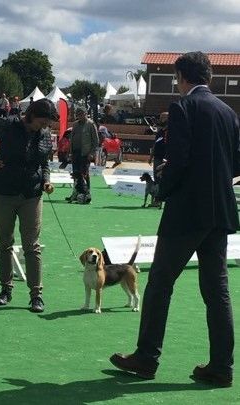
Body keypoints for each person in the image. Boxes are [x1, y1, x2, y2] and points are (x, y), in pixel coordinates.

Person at [110, 51, 240, 387]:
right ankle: (222, 367)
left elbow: (178, 158)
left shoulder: (183, 108)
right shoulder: (229, 113)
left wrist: (163, 189)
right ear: (208, 77)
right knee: (217, 291)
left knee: (160, 284)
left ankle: (147, 357)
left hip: (186, 212)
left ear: (181, 76)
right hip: (221, 211)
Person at [0, 98, 59, 313]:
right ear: (31, 114)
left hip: (32, 193)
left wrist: (46, 180)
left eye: (47, 123)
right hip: (3, 191)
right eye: (42, 121)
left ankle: (36, 295)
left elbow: (44, 162)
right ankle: (5, 290)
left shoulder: (45, 134)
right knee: (5, 242)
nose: (44, 126)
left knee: (32, 244)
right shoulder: (6, 124)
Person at [66, 106, 99, 204]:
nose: (79, 116)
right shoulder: (75, 124)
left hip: (85, 154)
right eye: (77, 114)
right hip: (75, 153)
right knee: (76, 174)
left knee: (84, 174)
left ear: (85, 114)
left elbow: (96, 141)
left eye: (81, 114)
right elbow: (72, 139)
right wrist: (70, 152)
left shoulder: (91, 124)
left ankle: (87, 194)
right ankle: (76, 194)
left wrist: (92, 153)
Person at [148, 111, 168, 182]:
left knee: (163, 178)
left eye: (163, 118)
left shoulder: (171, 131)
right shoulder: (160, 132)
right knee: (156, 178)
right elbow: (155, 144)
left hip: (165, 159)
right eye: (160, 117)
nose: (160, 119)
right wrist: (151, 157)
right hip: (157, 158)